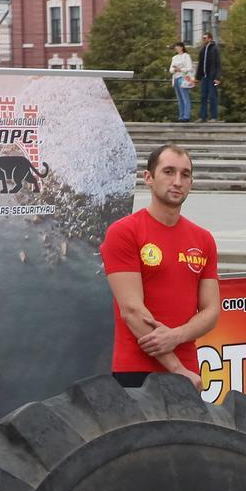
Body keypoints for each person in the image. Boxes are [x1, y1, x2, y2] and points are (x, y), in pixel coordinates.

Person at [100, 143, 217, 387]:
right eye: (168, 171)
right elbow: (132, 311)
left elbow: (211, 311)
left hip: (189, 372)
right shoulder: (124, 232)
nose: (177, 181)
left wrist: (176, 336)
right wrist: (176, 368)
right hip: (137, 372)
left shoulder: (203, 239)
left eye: (185, 175)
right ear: (148, 178)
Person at [198, 30, 224, 123]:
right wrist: (198, 77)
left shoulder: (214, 49)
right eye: (203, 38)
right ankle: (202, 116)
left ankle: (214, 116)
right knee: (203, 96)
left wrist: (217, 78)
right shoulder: (203, 49)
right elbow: (200, 64)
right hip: (204, 76)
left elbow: (218, 64)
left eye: (205, 38)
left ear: (210, 38)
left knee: (213, 96)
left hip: (212, 77)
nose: (203, 40)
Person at [169, 46, 196, 124]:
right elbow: (171, 70)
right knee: (179, 98)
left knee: (185, 97)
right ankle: (181, 116)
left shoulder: (186, 56)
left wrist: (180, 69)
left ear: (181, 48)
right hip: (176, 78)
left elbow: (189, 68)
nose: (176, 48)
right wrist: (175, 69)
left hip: (183, 78)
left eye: (177, 47)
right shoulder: (174, 57)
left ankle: (186, 116)